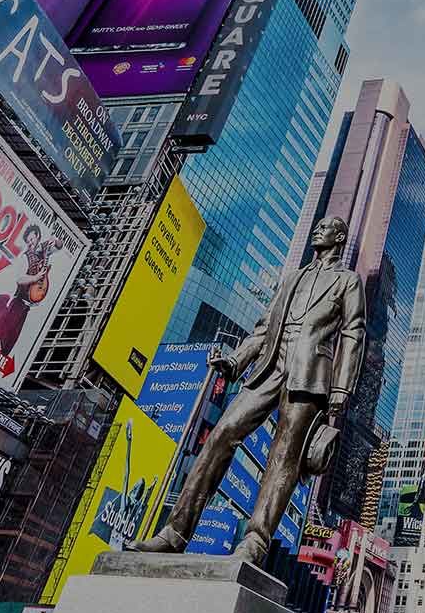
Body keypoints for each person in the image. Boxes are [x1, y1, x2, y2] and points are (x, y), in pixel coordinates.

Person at [133, 215, 364, 564]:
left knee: (284, 456)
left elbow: (354, 332)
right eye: (317, 225)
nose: (318, 229)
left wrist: (341, 389)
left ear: (340, 236)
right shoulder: (293, 277)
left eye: (327, 226)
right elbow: (264, 326)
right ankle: (175, 532)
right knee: (223, 432)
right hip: (270, 366)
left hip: (310, 374)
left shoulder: (348, 281)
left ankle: (255, 542)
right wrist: (237, 360)